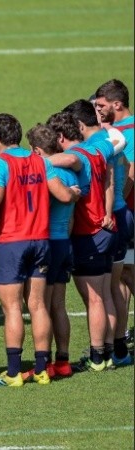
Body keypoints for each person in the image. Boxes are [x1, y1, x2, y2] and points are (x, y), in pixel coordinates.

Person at [0, 113, 79, 387]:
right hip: (42, 242)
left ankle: (13, 373)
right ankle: (41, 369)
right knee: (37, 306)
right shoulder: (40, 161)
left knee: (12, 309)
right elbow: (62, 195)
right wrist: (75, 192)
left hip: (12, 243)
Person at [47, 104, 118, 371]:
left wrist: (31, 163)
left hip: (88, 232)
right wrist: (109, 211)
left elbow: (70, 161)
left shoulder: (77, 154)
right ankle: (108, 351)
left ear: (62, 138)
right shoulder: (101, 149)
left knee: (94, 299)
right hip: (106, 227)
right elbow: (110, 177)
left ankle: (97, 356)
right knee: (105, 293)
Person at [24, 124, 78, 379]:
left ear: (36, 150)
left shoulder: (47, 173)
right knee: (58, 305)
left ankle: (42, 364)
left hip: (48, 244)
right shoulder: (70, 174)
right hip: (64, 242)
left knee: (39, 306)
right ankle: (63, 361)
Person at [94, 79, 134, 366]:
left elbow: (131, 173)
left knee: (127, 274)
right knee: (121, 275)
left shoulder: (124, 133)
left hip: (127, 212)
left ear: (117, 104)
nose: (97, 110)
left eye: (101, 105)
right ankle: (118, 340)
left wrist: (116, 205)